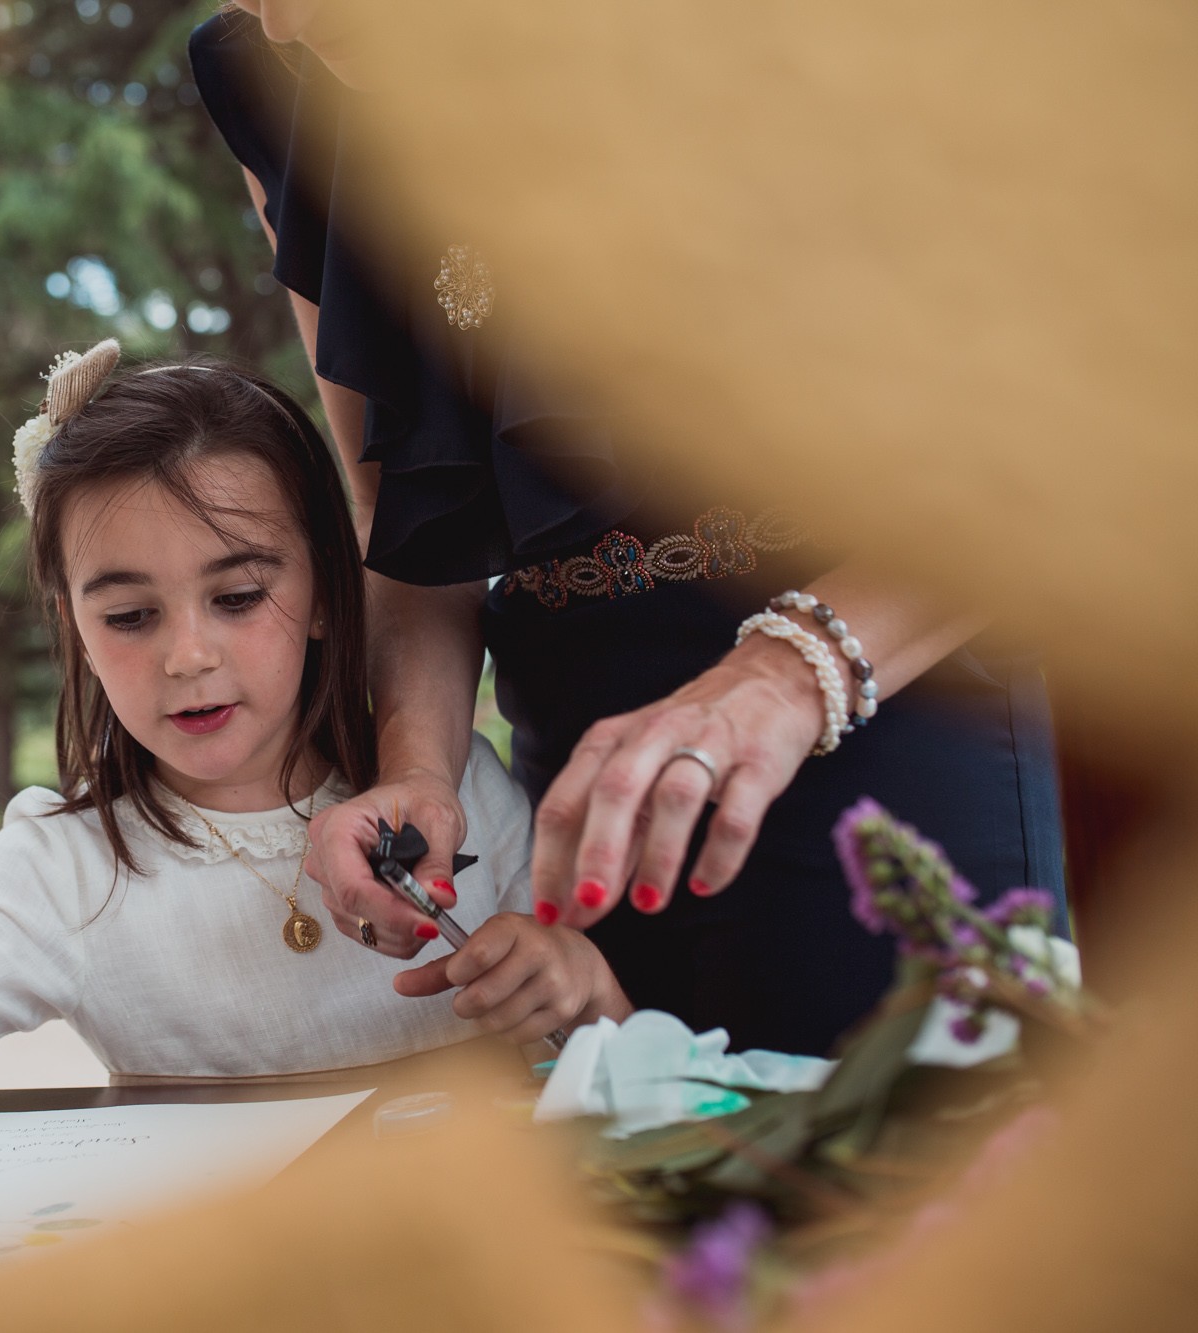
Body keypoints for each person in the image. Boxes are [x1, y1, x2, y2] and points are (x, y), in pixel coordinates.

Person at [189, 2, 1068, 1055]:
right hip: (581, 776)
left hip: (873, 702)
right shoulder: (272, 77)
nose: (282, 23)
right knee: (658, 1189)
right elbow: (408, 525)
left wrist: (783, 679)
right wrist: (419, 771)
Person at [0, 343, 633, 1147]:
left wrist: (581, 985)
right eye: (130, 616)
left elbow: (620, 1060)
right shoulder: (63, 866)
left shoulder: (446, 788)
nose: (188, 656)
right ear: (75, 627)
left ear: (329, 591)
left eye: (238, 596)